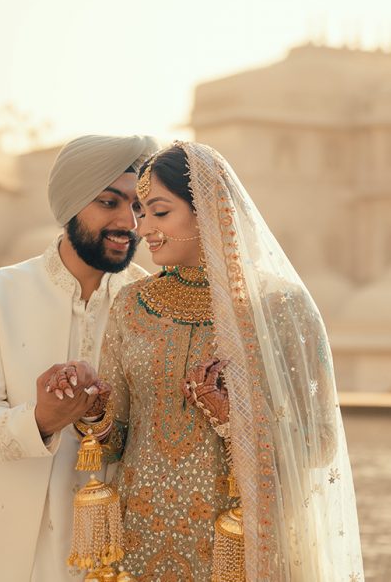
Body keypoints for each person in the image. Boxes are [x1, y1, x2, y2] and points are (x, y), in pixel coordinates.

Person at [64, 142, 364, 581]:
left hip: (236, 542)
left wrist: (233, 420)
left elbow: (319, 445)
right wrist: (92, 414)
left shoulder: (278, 308)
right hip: (137, 543)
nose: (142, 226)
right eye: (141, 212)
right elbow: (114, 440)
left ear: (208, 209)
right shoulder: (132, 306)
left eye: (160, 212)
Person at [0, 134, 157, 582]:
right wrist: (41, 419)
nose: (129, 222)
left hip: (116, 552)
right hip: (10, 553)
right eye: (109, 202)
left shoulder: (149, 303)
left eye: (138, 207)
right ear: (70, 207)